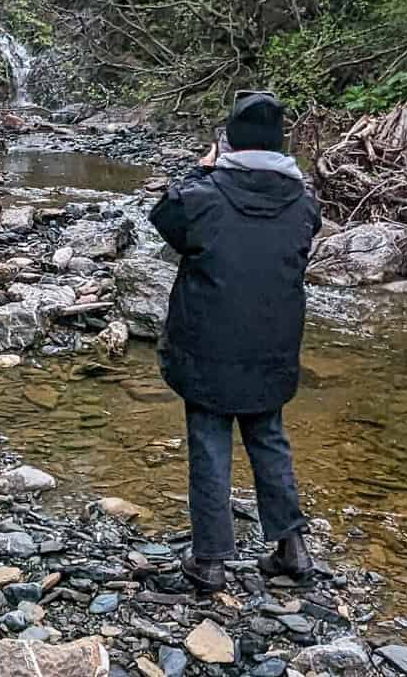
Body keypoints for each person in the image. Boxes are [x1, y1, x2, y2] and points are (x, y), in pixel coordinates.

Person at [148, 92, 322, 593]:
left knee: (209, 441)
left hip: (207, 346)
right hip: (273, 347)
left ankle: (211, 560)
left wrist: (202, 170)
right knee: (268, 437)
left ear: (229, 141)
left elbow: (165, 218)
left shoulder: (203, 194)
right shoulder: (303, 202)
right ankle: (292, 547)